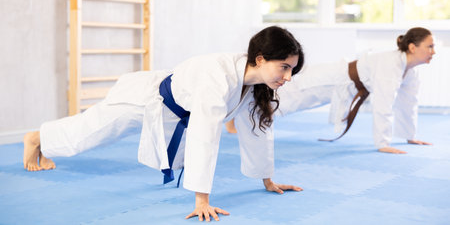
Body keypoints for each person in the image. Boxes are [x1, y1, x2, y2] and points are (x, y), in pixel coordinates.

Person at [23, 26, 305, 221]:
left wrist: (267, 179)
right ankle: (37, 138)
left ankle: (43, 138)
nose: (288, 77)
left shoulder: (254, 83)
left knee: (90, 131)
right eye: (284, 67)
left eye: (291, 69)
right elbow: (204, 136)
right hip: (146, 101)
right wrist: (201, 201)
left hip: (172, 112)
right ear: (260, 58)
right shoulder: (217, 75)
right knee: (90, 133)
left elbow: (258, 132)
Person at [226, 27, 435, 154]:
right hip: (332, 78)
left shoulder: (410, 71)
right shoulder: (391, 64)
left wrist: (410, 136)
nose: (433, 51)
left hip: (344, 84)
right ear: (413, 47)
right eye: (430, 46)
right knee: (287, 99)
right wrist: (383, 143)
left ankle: (239, 114)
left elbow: (409, 103)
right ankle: (235, 114)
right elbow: (384, 104)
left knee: (286, 101)